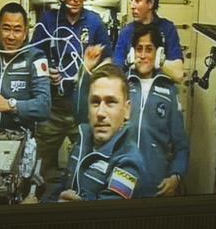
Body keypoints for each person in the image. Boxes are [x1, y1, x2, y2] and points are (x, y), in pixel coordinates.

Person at [33, 0, 111, 182]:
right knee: (38, 169)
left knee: (88, 169)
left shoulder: (95, 23)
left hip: (83, 110)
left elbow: (110, 61)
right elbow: (33, 58)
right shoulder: (47, 21)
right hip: (52, 111)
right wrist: (46, 70)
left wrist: (93, 69)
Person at [51, 65, 147, 201]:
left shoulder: (128, 163)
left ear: (126, 110)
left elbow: (107, 218)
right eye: (95, 102)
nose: (101, 113)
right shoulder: (82, 141)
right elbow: (61, 188)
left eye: (111, 102)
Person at [124, 23, 189, 196]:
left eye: (149, 49)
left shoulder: (169, 91)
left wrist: (176, 175)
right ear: (132, 53)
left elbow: (181, 145)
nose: (143, 55)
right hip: (121, 182)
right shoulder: (121, 85)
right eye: (139, 49)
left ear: (158, 54)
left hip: (155, 185)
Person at [0, 2, 51, 133]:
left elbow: (44, 106)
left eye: (17, 30)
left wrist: (10, 105)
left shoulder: (36, 58)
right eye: (6, 29)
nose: (11, 36)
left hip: (19, 138)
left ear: (25, 33)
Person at [110, 0, 184, 83]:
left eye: (137, 0)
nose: (132, 5)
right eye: (131, 0)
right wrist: (128, 62)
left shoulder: (168, 29)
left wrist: (156, 60)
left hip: (160, 92)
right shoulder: (126, 32)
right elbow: (115, 74)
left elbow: (178, 75)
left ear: (150, 3)